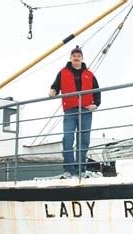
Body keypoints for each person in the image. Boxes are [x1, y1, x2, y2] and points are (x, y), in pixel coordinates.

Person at [49, 46, 101, 178]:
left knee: (83, 140)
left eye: (78, 55)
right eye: (74, 55)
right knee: (68, 139)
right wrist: (53, 91)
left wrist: (96, 104)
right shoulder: (63, 72)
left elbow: (97, 90)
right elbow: (55, 86)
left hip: (85, 111)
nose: (76, 57)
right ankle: (69, 170)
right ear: (71, 58)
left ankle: (81, 170)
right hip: (70, 111)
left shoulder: (89, 74)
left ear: (82, 58)